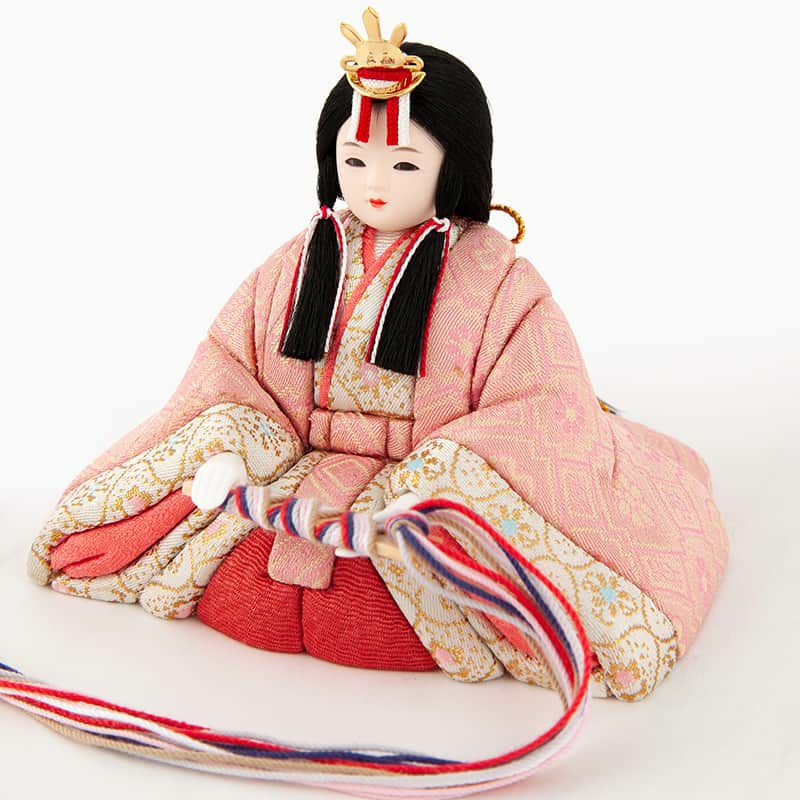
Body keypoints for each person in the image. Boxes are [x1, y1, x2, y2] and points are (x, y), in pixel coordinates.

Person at [28, 11, 728, 703]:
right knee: (237, 544)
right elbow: (230, 366)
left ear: (454, 164)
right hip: (290, 480)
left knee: (415, 574)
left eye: (405, 163)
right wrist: (236, 450)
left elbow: (541, 405)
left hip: (414, 509)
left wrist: (433, 487)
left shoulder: (500, 281)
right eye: (355, 159)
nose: (375, 182)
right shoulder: (302, 258)